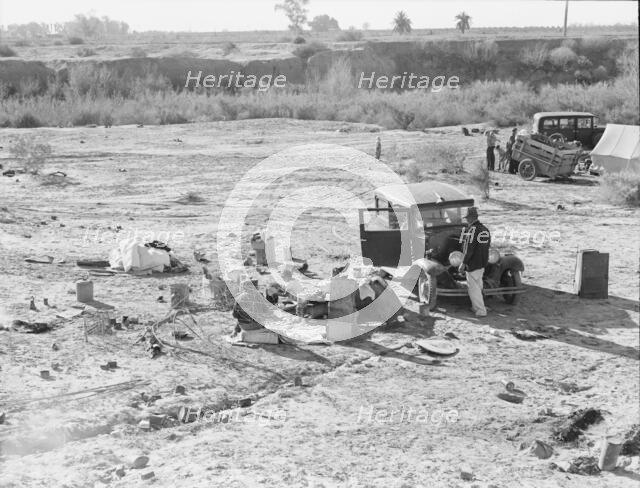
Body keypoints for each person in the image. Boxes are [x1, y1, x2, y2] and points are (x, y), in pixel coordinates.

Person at [458, 207, 491, 317]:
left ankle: (481, 311)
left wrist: (463, 263)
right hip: (482, 263)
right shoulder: (485, 229)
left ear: (471, 218)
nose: (466, 220)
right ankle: (475, 307)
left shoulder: (472, 230)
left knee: (473, 289)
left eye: (467, 218)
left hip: (473, 263)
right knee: (478, 285)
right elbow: (487, 247)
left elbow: (469, 249)